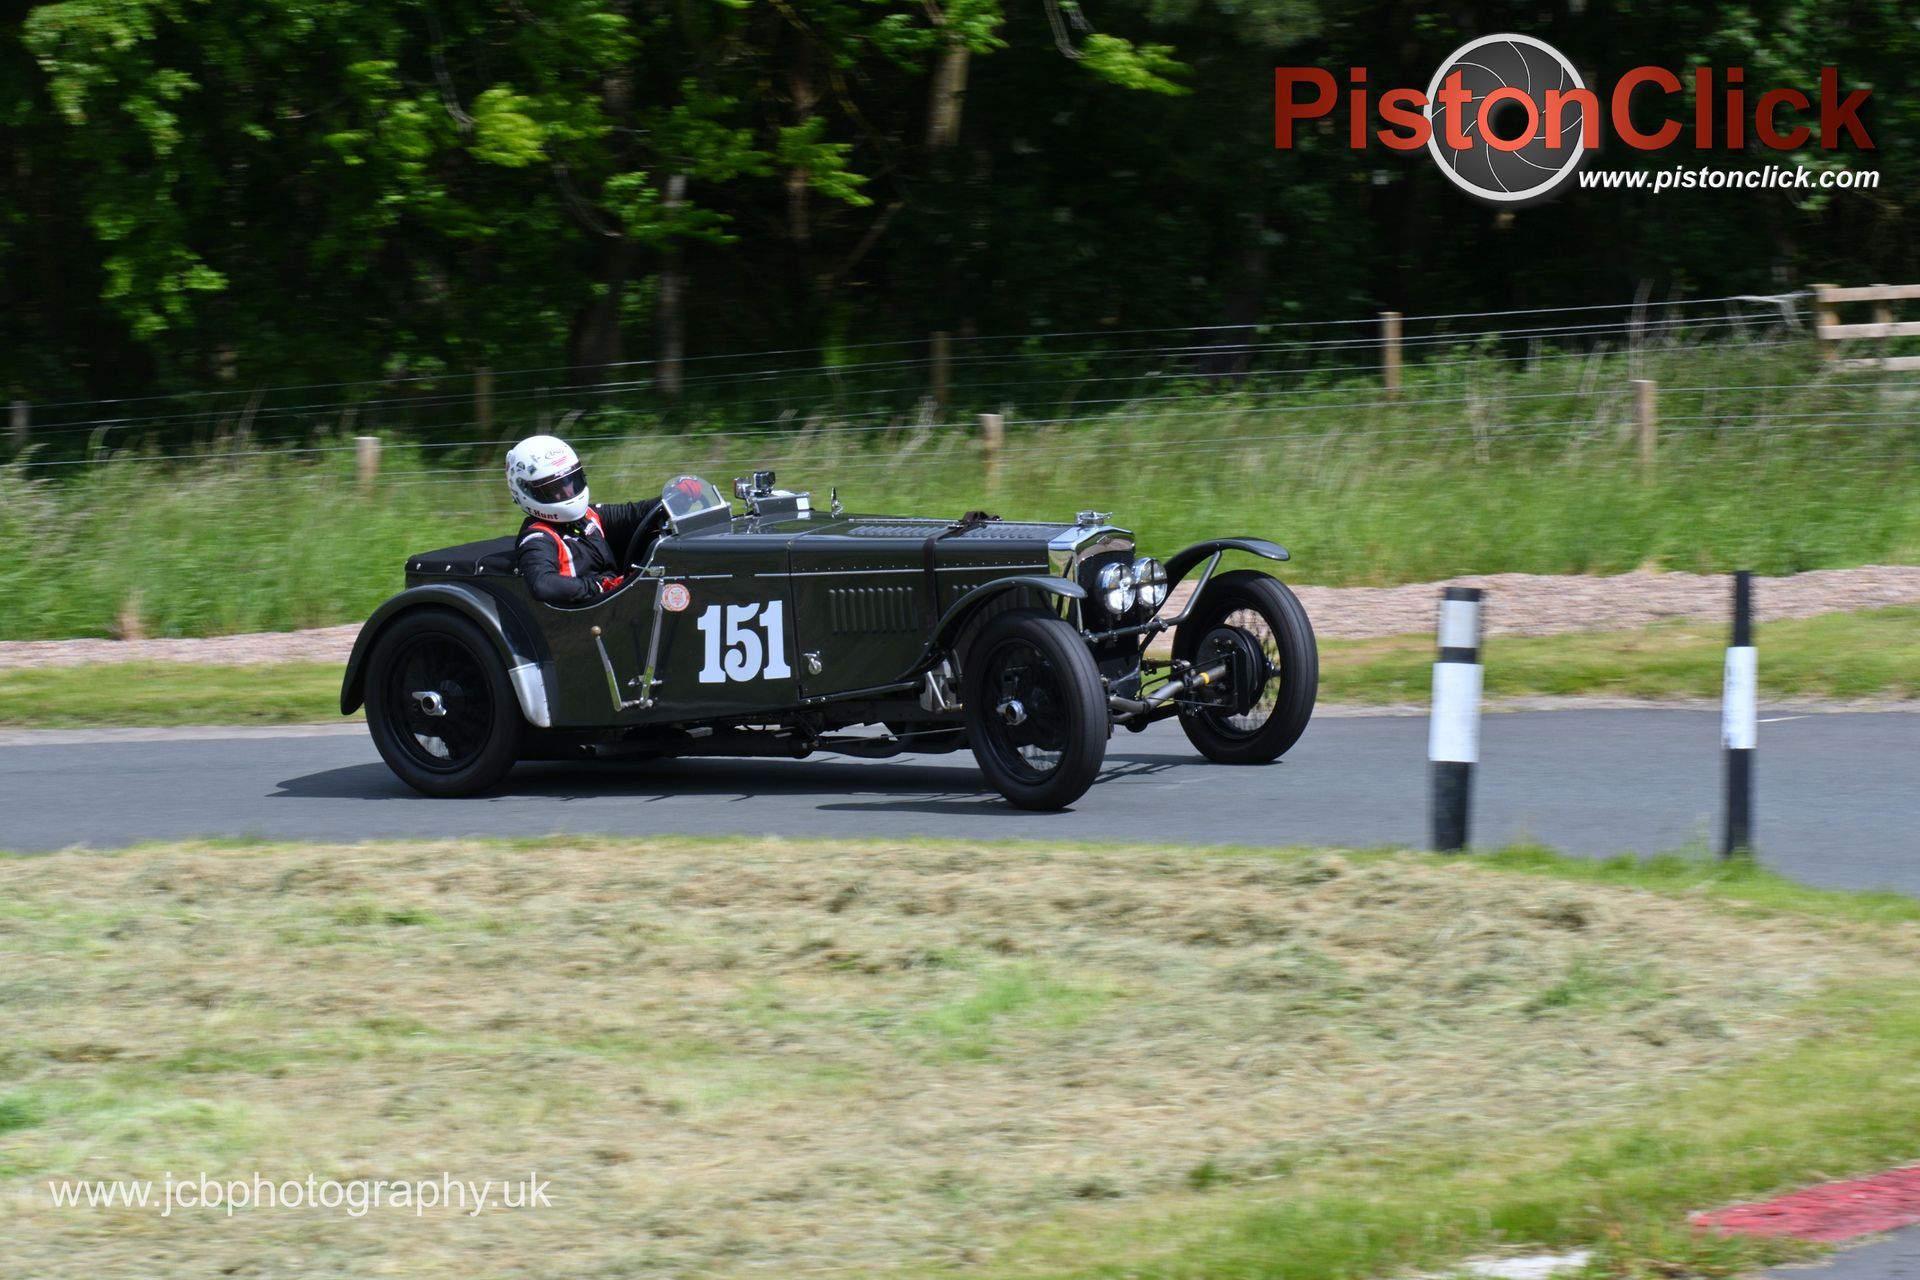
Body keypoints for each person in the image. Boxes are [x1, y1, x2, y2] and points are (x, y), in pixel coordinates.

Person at [505, 435, 662, 607]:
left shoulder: (588, 516)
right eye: (554, 487)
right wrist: (598, 587)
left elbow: (632, 514)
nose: (568, 490)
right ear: (527, 491)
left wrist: (671, 499)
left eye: (570, 480)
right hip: (589, 613)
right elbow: (542, 584)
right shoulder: (537, 537)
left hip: (614, 599)